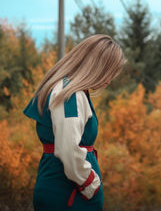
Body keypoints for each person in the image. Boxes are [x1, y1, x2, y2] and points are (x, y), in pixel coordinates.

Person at [22, 34, 126, 211]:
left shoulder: (71, 92)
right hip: (67, 195)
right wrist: (90, 183)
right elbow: (68, 149)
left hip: (67, 192)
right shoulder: (69, 96)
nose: (108, 80)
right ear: (96, 66)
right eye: (108, 72)